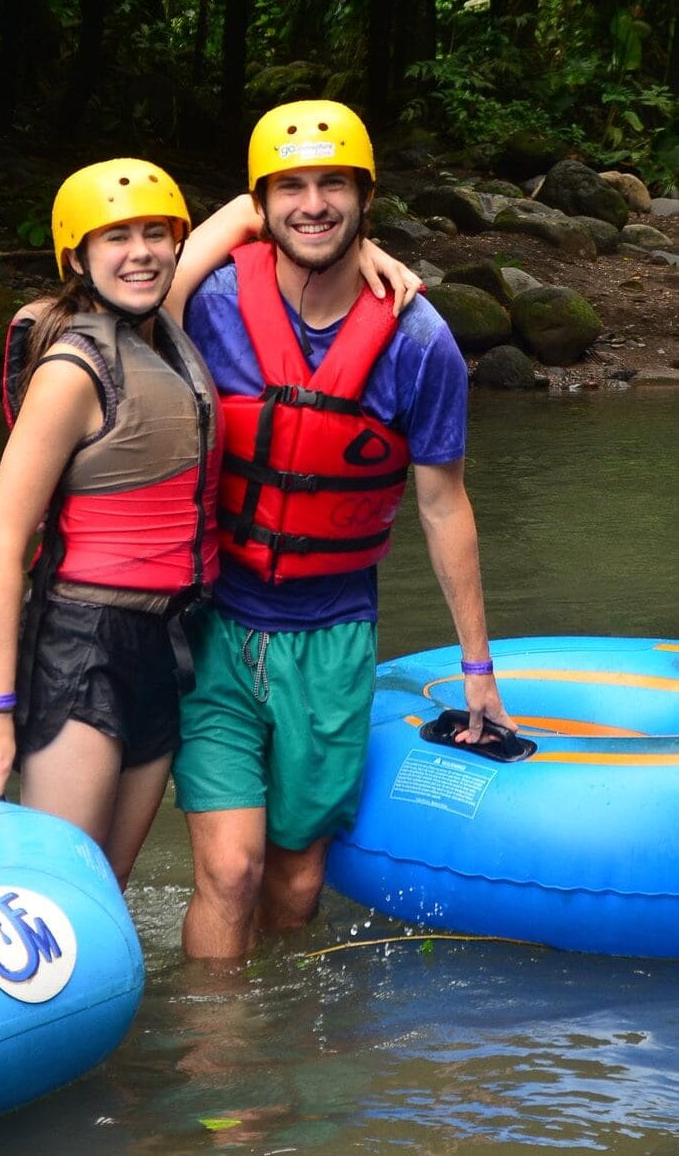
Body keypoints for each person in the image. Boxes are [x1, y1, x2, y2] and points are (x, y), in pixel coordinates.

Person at [170, 99, 516, 958]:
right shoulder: (212, 303)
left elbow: (444, 505)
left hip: (332, 639)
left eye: (334, 185)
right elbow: (137, 299)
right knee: (230, 871)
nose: (312, 204)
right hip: (217, 624)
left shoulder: (419, 340)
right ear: (260, 202)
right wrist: (253, 206)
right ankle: (219, 1084)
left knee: (294, 884)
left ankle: (287, 1065)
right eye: (289, 188)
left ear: (368, 196)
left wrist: (479, 669)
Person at [0, 158, 224, 889]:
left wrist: (366, 247)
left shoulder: (161, 324)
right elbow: (0, 545)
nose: (139, 251)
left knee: (109, 887)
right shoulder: (73, 371)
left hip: (165, 643)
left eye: (155, 233)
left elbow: (246, 212)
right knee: (59, 892)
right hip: (83, 645)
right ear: (78, 256)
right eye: (116, 237)